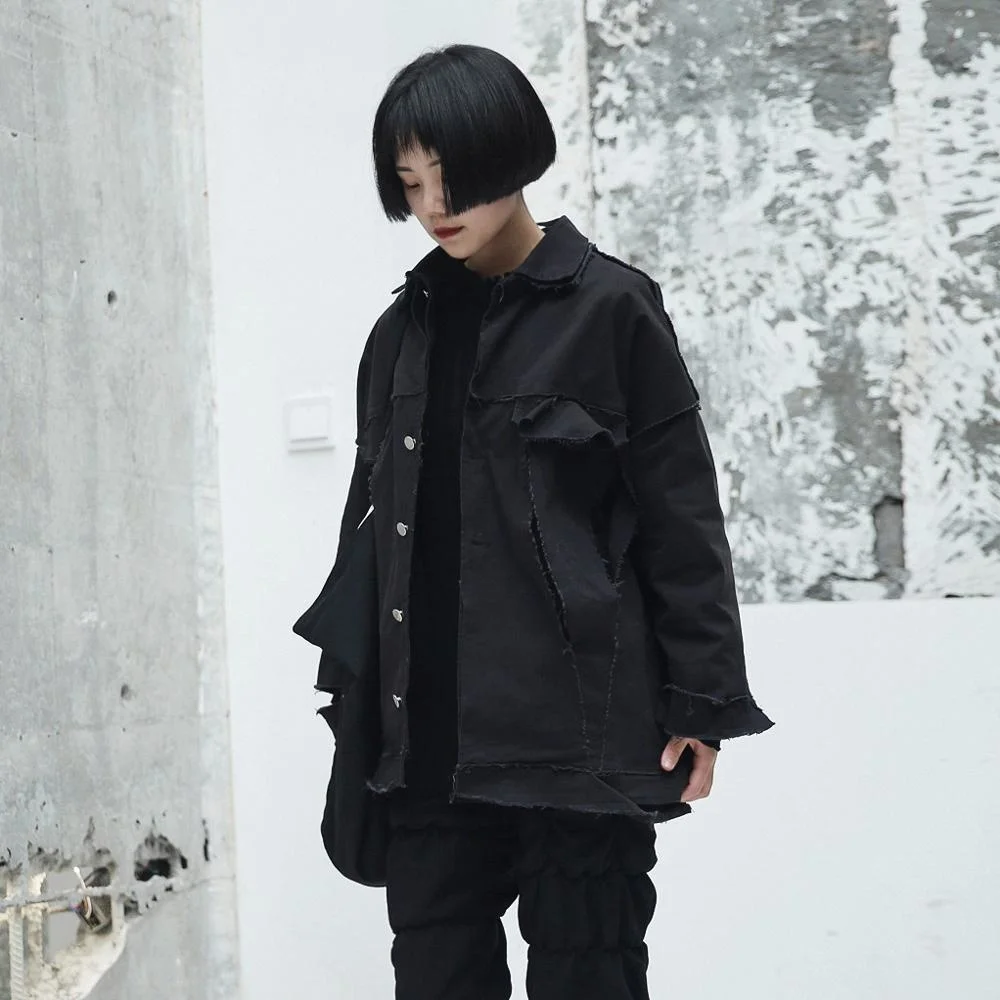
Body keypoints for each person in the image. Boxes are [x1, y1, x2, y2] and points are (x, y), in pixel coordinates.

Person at [340, 42, 773, 1000]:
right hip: (430, 746)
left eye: (450, 175)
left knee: (592, 976)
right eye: (409, 183)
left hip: (578, 740)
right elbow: (377, 538)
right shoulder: (400, 331)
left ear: (511, 154)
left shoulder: (613, 309)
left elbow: (681, 516)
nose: (433, 204)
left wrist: (701, 702)